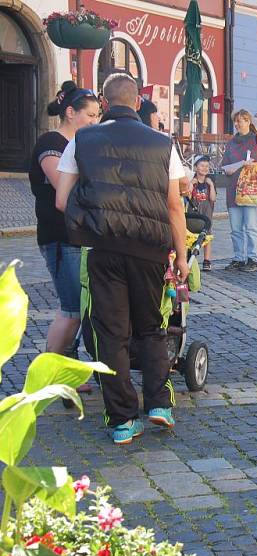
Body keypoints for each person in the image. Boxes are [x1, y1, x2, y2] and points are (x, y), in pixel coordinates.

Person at [55, 72, 189, 444]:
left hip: (104, 248)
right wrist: (180, 256)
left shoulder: (82, 140)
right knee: (151, 327)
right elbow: (175, 206)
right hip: (150, 250)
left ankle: (123, 421)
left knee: (112, 335)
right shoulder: (163, 143)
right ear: (137, 102)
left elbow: (62, 200)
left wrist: (93, 218)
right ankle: (159, 405)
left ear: (104, 102)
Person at [28, 81, 100, 363]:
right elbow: (64, 191)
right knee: (71, 309)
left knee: (82, 307)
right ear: (70, 112)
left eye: (97, 115)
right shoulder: (51, 143)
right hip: (60, 235)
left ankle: (67, 366)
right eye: (91, 115)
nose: (95, 120)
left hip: (81, 235)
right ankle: (48, 370)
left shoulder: (81, 144)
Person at [220, 109, 257, 272]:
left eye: (240, 121)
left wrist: (256, 164)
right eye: (235, 121)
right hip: (233, 190)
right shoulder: (231, 142)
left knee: (251, 226)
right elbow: (225, 167)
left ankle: (253, 258)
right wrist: (242, 163)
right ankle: (238, 258)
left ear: (248, 121)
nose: (237, 124)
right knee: (235, 229)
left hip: (252, 190)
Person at [190, 155, 216, 270]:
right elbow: (188, 195)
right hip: (194, 213)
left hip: (207, 212)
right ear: (196, 167)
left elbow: (213, 198)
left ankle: (207, 259)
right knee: (192, 236)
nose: (204, 168)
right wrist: (191, 183)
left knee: (207, 235)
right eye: (201, 165)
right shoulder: (192, 180)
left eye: (206, 166)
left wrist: (211, 185)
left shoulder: (210, 181)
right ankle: (191, 258)